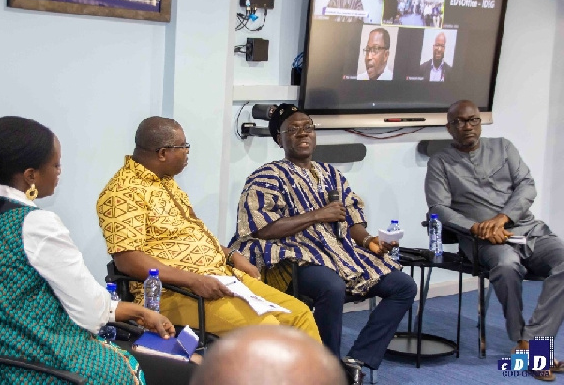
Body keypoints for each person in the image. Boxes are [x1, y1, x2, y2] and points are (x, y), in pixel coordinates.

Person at [0, 116, 193, 384]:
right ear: (31, 176)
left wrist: (140, 312)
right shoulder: (37, 224)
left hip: (2, 365)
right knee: (190, 371)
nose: (60, 171)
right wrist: (138, 312)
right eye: (55, 164)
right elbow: (89, 312)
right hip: (46, 367)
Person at [95, 116, 320, 342]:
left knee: (299, 315)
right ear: (162, 153)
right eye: (183, 146)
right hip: (173, 293)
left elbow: (195, 235)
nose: (187, 152)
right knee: (269, 329)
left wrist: (231, 255)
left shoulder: (164, 181)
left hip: (222, 277)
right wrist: (193, 280)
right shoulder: (122, 193)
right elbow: (128, 260)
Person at [228, 104, 417, 373]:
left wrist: (369, 241)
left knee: (404, 285)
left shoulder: (332, 174)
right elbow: (262, 229)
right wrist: (317, 215)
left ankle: (357, 359)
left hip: (338, 253)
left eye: (308, 127)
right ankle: (326, 367)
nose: (302, 133)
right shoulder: (266, 176)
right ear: (278, 139)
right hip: (292, 256)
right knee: (332, 287)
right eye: (292, 130)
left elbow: (352, 219)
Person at [425, 100, 564, 380]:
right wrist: (478, 228)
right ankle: (529, 347)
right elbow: (439, 208)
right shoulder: (440, 162)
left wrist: (502, 219)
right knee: (506, 267)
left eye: (473, 120)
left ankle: (534, 342)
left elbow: (527, 186)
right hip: (485, 242)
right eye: (460, 122)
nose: (468, 127)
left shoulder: (503, 147)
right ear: (449, 127)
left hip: (527, 229)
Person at [189, 325, 347, 385]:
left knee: (300, 313)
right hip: (199, 285)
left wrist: (232, 255)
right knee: (270, 323)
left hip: (229, 274)